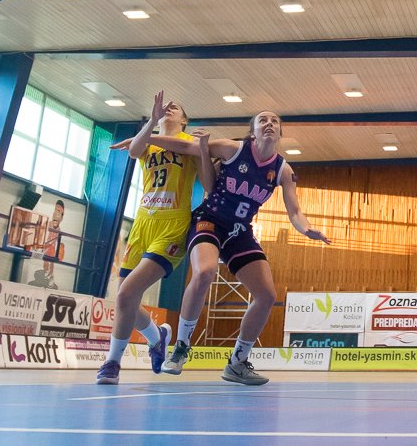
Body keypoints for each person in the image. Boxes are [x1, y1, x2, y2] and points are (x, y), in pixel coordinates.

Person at [135, 110, 330, 384]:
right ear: (253, 131)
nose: (269, 123)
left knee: (266, 295)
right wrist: (146, 138)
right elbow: (188, 146)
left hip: (240, 231)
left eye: (274, 121)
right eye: (263, 120)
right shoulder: (233, 149)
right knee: (205, 272)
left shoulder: (283, 170)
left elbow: (295, 211)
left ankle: (237, 363)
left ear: (280, 132)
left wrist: (306, 229)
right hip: (209, 220)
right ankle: (180, 347)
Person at [96, 92, 201, 385]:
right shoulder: (148, 141)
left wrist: (149, 134)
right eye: (165, 107)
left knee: (126, 294)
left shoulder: (190, 143)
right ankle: (157, 337)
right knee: (124, 298)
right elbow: (134, 152)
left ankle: (112, 363)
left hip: (172, 224)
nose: (169, 109)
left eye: (175, 108)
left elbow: (185, 149)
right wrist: (151, 121)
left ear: (184, 120)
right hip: (143, 222)